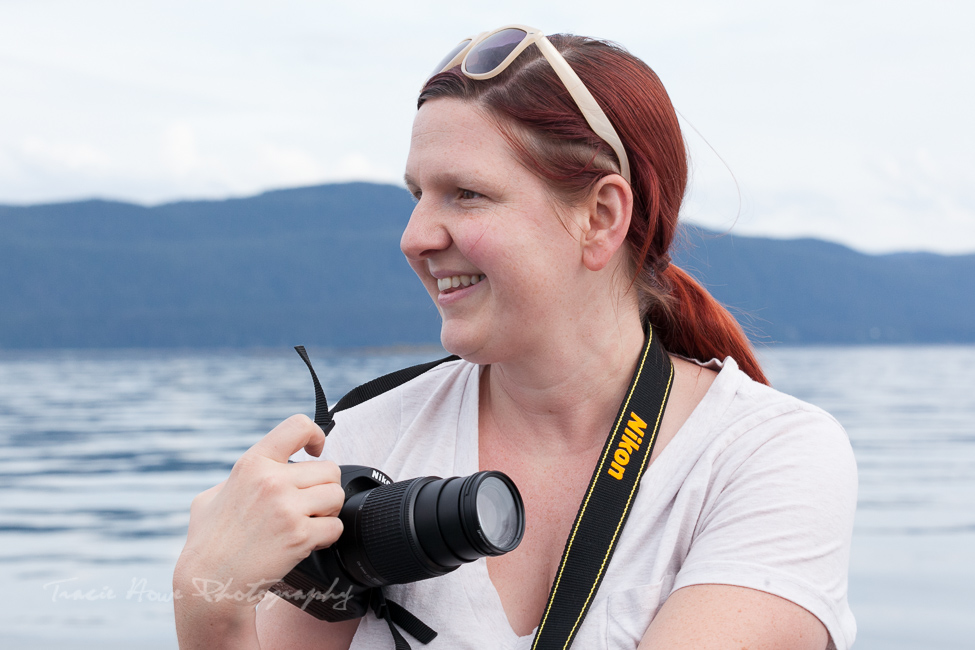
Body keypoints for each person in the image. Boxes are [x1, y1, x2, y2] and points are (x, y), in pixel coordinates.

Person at [174, 26, 857, 650]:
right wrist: (208, 603)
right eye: (416, 195)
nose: (414, 237)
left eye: (464, 194)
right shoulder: (367, 439)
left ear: (600, 215)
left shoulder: (764, 456)